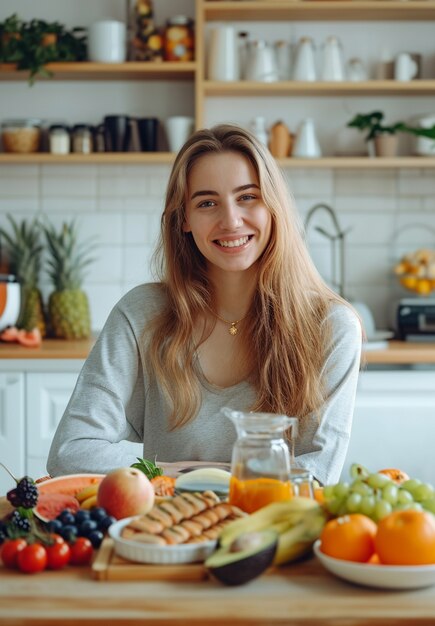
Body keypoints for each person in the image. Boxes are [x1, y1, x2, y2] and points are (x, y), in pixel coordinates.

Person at [47, 123, 362, 485]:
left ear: (274, 207)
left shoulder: (331, 327)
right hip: (164, 536)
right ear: (183, 219)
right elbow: (70, 451)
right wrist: (191, 475)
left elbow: (318, 477)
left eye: (248, 197)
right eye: (207, 203)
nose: (230, 220)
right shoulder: (141, 314)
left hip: (272, 536)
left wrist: (173, 473)